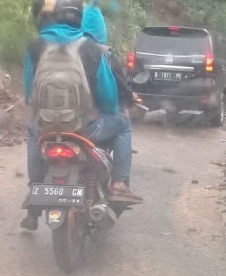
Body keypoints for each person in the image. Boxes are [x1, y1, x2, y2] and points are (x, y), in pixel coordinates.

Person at [21, 0, 143, 231]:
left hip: (45, 126)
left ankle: (35, 186)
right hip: (85, 128)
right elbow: (108, 96)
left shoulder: (35, 46)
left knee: (31, 130)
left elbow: (29, 90)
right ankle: (118, 184)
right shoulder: (90, 47)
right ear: (79, 19)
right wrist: (110, 110)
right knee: (123, 123)